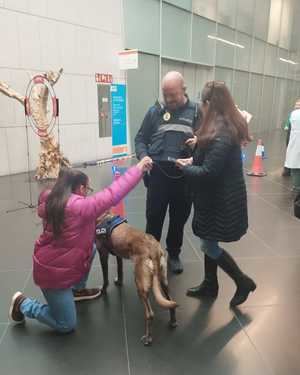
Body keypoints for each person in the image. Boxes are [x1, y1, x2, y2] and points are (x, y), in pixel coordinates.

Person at [9, 157, 152, 333]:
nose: (88, 192)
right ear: (80, 188)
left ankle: (76, 290)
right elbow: (113, 193)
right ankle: (24, 304)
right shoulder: (78, 207)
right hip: (54, 276)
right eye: (87, 188)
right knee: (66, 325)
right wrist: (138, 168)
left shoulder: (53, 198)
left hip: (51, 261)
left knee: (91, 248)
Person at [176, 81, 256, 307]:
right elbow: (210, 156)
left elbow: (209, 172)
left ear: (210, 103)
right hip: (216, 197)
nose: (200, 107)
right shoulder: (220, 124)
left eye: (202, 102)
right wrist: (194, 155)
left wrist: (185, 167)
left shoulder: (223, 131)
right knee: (206, 237)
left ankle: (243, 282)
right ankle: (210, 284)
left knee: (209, 245)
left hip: (221, 199)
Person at [135, 71, 200, 274]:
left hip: (184, 177)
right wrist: (143, 155)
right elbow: (140, 139)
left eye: (173, 94)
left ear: (184, 89)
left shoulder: (198, 111)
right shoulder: (154, 111)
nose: (169, 99)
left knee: (178, 219)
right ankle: (150, 256)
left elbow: (209, 140)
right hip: (158, 175)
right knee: (153, 218)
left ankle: (174, 253)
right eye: (166, 95)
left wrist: (199, 143)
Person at [284, 102, 300, 193]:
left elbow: (288, 127)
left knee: (295, 163)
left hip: (294, 140)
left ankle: (296, 186)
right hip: (295, 139)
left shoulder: (293, 114)